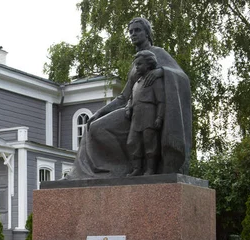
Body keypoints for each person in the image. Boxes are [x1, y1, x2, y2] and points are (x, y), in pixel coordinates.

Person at [65, 17, 191, 179]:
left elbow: (182, 78)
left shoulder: (158, 53)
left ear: (147, 33)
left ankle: (116, 170)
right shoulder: (136, 63)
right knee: (94, 126)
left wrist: (162, 72)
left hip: (150, 115)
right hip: (132, 112)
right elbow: (124, 96)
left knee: (99, 129)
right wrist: (100, 112)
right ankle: (94, 172)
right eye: (130, 31)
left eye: (137, 30)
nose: (133, 34)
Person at [125, 50, 165, 176]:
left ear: (148, 65)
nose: (136, 67)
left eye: (139, 64)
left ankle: (150, 169)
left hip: (149, 115)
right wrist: (128, 107)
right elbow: (131, 98)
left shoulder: (154, 80)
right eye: (136, 65)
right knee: (132, 142)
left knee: (150, 143)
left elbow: (161, 101)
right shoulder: (136, 83)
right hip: (136, 116)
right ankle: (137, 168)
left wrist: (159, 117)